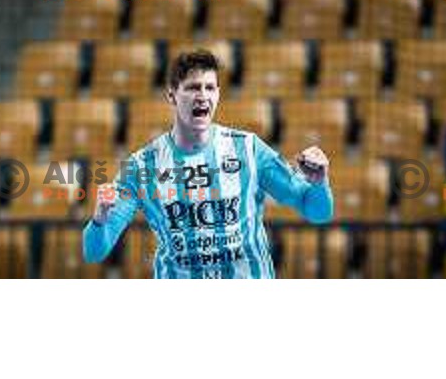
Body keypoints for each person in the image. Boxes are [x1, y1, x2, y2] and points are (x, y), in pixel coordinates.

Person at [83, 49, 333, 278]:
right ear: (171, 95)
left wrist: (319, 184)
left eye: (210, 88)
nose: (203, 96)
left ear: (218, 94)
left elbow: (317, 212)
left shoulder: (249, 149)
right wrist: (100, 219)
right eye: (193, 88)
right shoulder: (141, 167)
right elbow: (94, 252)